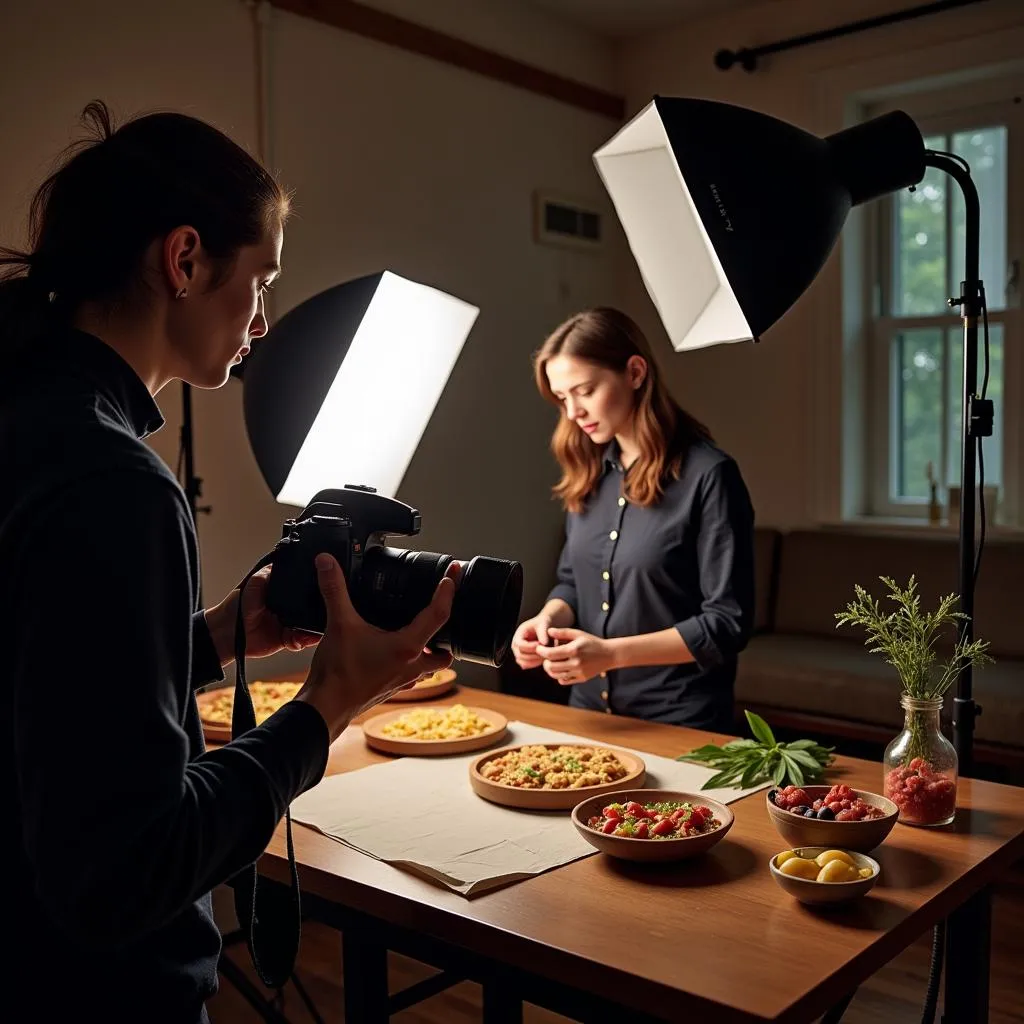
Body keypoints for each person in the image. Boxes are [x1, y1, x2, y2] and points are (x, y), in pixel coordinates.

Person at [0, 101, 456, 1023]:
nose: (262, 319)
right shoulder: (113, 482)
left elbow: (41, 696)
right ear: (184, 260)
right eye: (261, 281)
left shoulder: (25, 421)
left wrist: (209, 638)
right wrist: (328, 704)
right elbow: (128, 869)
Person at [511, 307, 756, 731]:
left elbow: (726, 624)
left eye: (584, 390)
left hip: (680, 722)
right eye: (562, 398)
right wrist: (546, 619)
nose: (572, 412)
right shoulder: (586, 471)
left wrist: (609, 654)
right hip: (587, 715)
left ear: (636, 372)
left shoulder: (709, 476)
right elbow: (572, 582)